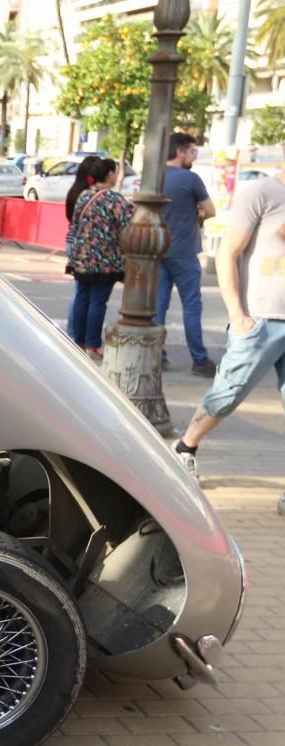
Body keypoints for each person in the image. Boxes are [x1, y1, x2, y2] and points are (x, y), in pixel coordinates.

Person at [172, 161, 285, 510]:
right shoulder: (261, 192)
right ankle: (185, 447)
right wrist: (238, 315)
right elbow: (228, 254)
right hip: (261, 317)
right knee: (228, 393)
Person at [156, 132, 217, 376]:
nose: (193, 156)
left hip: (158, 250)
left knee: (158, 306)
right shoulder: (191, 179)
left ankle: (157, 356)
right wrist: (198, 213)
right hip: (184, 252)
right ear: (180, 152)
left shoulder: (155, 176)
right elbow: (211, 210)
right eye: (192, 151)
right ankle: (199, 360)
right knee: (191, 307)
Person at [65, 158, 133, 360]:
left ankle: (78, 341)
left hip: (82, 257)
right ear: (110, 174)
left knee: (82, 298)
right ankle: (93, 343)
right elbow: (130, 221)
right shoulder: (114, 199)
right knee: (98, 301)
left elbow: (76, 223)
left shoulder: (84, 195)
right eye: (115, 172)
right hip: (104, 259)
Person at [62, 155, 100, 342]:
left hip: (72, 240)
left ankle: (73, 331)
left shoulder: (74, 191)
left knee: (79, 290)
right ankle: (74, 332)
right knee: (83, 292)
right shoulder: (87, 194)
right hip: (82, 244)